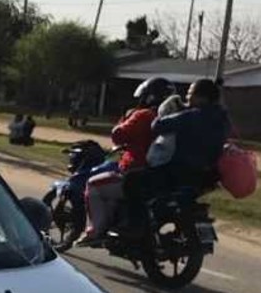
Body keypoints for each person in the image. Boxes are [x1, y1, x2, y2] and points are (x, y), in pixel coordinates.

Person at [122, 78, 230, 231]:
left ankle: (135, 226)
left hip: (178, 173)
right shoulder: (223, 118)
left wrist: (167, 111)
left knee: (131, 180)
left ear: (202, 98)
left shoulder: (193, 116)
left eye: (190, 94)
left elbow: (158, 126)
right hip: (206, 175)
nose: (187, 98)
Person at [78, 77, 174, 244]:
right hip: (163, 176)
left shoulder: (144, 115)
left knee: (93, 185)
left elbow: (118, 136)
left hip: (135, 170)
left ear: (149, 97)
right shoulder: (176, 118)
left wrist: (125, 120)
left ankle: (95, 231)